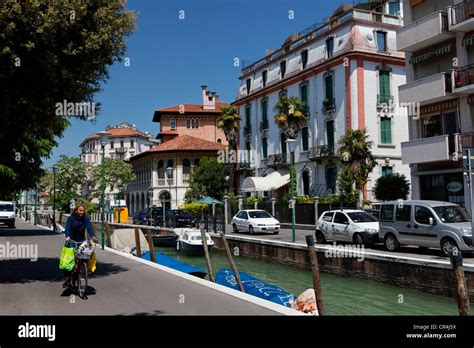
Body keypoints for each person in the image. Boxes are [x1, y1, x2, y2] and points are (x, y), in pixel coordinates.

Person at [62, 203, 97, 288]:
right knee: (68, 260)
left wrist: (92, 236)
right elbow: (67, 229)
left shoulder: (85, 218)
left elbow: (89, 228)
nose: (82, 212)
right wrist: (67, 236)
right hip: (72, 240)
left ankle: (84, 269)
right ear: (76, 210)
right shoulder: (71, 218)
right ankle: (68, 278)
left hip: (82, 240)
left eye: (83, 210)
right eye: (80, 210)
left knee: (87, 255)